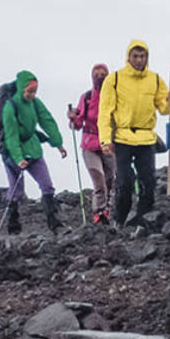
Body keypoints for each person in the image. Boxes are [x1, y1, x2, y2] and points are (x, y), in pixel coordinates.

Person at [98, 39, 170, 225]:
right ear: (128, 57)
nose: (139, 60)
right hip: (122, 137)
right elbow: (105, 112)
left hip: (146, 138)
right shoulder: (114, 79)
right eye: (135, 56)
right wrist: (106, 140)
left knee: (149, 181)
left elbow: (163, 108)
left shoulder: (155, 79)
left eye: (142, 56)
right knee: (124, 182)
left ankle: (143, 220)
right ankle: (119, 221)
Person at [0, 69, 67, 234]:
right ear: (21, 88)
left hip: (33, 148)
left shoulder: (35, 103)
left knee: (47, 186)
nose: (32, 95)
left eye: (34, 91)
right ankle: (13, 226)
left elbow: (47, 120)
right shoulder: (10, 107)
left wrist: (58, 143)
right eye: (29, 91)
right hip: (12, 152)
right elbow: (11, 136)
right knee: (16, 191)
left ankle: (54, 223)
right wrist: (18, 158)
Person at [68, 63, 113, 224]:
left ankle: (107, 210)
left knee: (110, 179)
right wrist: (73, 118)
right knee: (99, 179)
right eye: (97, 74)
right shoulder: (87, 98)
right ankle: (99, 212)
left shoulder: (114, 97)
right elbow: (78, 124)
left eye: (103, 74)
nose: (100, 77)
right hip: (90, 145)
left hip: (109, 143)